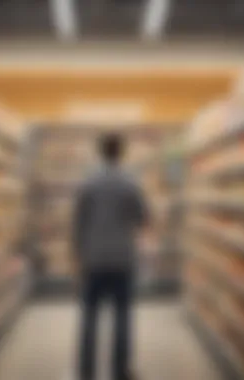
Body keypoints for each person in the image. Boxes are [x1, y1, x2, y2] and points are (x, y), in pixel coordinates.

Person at [73, 133, 148, 380]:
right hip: (122, 260)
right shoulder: (130, 182)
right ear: (122, 152)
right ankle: (120, 370)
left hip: (93, 259)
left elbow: (78, 222)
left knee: (89, 317)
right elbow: (142, 218)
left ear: (100, 151)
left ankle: (86, 369)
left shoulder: (87, 182)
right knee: (122, 318)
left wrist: (77, 254)